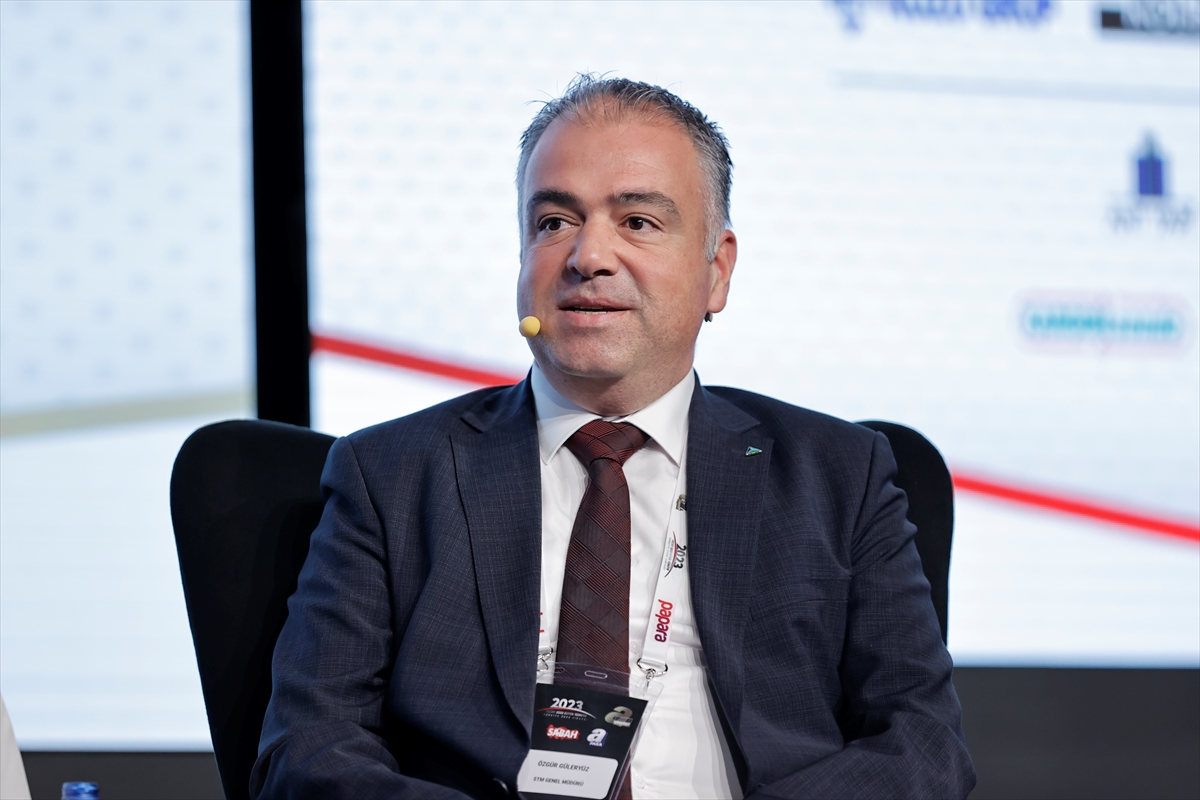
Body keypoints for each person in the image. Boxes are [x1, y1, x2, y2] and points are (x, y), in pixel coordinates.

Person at [251, 75, 975, 799]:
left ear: (716, 271)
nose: (587, 256)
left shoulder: (839, 475)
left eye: (637, 222)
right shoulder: (392, 474)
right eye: (553, 222)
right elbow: (308, 748)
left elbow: (922, 743)